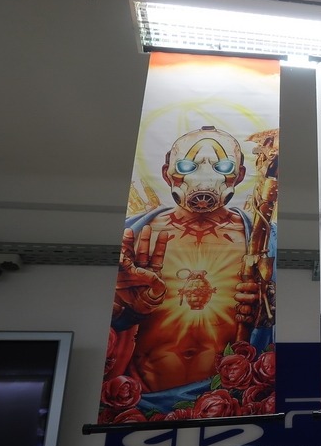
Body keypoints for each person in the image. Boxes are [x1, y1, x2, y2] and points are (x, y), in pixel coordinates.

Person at [104, 126, 277, 417]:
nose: (204, 176)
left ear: (239, 175)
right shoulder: (131, 237)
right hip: (141, 398)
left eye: (222, 166)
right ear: (167, 173)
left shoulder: (266, 242)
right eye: (188, 166)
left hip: (227, 401)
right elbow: (109, 322)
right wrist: (125, 310)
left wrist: (268, 309)